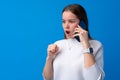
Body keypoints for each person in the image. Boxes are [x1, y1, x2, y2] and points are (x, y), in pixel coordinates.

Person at [43, 4, 105, 80]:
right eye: (63, 21)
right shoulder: (58, 44)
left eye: (71, 21)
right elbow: (47, 78)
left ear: (82, 24)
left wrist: (86, 45)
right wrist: (50, 58)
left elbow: (94, 78)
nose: (66, 26)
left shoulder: (96, 45)